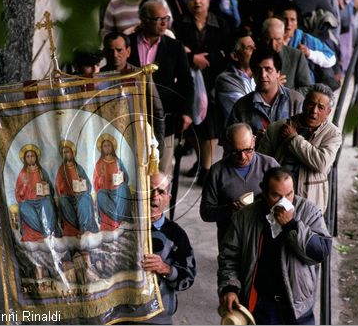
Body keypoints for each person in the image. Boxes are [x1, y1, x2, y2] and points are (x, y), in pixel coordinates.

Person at [218, 167, 332, 324]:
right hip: (262, 304)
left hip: (297, 305)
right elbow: (229, 258)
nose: (283, 202)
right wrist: (229, 288)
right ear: (264, 192)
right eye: (276, 195)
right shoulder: (244, 217)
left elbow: (321, 252)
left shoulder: (308, 212)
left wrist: (291, 226)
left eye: (289, 194)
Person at [172, 0, 233, 185]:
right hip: (187, 80)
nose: (197, 1)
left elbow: (228, 52)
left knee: (210, 127)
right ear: (186, 1)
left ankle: (206, 169)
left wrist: (207, 58)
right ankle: (202, 164)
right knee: (191, 127)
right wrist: (191, 58)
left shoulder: (221, 22)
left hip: (213, 80)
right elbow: (175, 49)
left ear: (208, 0)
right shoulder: (179, 24)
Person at [128, 0, 195, 176]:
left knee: (161, 172)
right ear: (143, 20)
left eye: (166, 18)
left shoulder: (175, 47)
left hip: (165, 118)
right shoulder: (127, 44)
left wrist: (186, 112)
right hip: (132, 117)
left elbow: (186, 81)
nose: (164, 22)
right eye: (158, 19)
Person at [257, 83, 342, 213]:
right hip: (276, 199)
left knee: (305, 233)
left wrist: (293, 139)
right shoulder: (277, 128)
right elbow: (260, 164)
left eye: (321, 107)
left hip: (310, 203)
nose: (314, 111)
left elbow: (321, 163)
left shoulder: (333, 134)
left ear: (328, 112)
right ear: (303, 104)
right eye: (310, 104)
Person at [200, 123, 279, 252]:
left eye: (248, 150)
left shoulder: (269, 165)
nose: (243, 157)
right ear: (227, 146)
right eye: (236, 151)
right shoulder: (217, 172)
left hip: (264, 240)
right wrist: (229, 209)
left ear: (254, 141)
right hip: (231, 242)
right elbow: (205, 213)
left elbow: (287, 200)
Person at [143, 172, 196, 324]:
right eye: (149, 190)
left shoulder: (176, 234)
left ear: (168, 199)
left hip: (158, 318)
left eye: (161, 192)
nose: (154, 196)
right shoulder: (124, 229)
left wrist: (166, 269)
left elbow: (189, 277)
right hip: (124, 316)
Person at [102, 31, 165, 157]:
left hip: (138, 139)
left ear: (128, 51)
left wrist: (158, 143)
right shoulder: (98, 77)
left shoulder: (141, 76)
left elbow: (157, 110)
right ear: (104, 52)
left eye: (119, 50)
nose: (115, 55)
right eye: (111, 50)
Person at [226, 46, 304, 142]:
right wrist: (252, 141)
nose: (263, 75)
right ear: (253, 73)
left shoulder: (296, 100)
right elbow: (231, 144)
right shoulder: (241, 106)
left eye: (268, 69)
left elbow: (308, 138)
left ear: (278, 73)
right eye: (258, 70)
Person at [280, 3, 339, 90]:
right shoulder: (272, 38)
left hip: (303, 89)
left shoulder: (305, 39)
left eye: (292, 20)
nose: (288, 24)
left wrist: (310, 53)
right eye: (285, 19)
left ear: (297, 23)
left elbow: (331, 58)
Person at [214, 28, 256, 139]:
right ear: (235, 56)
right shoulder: (225, 80)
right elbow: (245, 111)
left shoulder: (260, 74)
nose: (255, 50)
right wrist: (269, 89)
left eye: (254, 46)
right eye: (249, 48)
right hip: (239, 141)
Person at [15, 144, 61, 241]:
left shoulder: (41, 172)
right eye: (28, 156)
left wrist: (45, 185)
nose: (30, 158)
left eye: (32, 156)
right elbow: (18, 194)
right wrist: (25, 185)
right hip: (28, 202)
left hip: (42, 200)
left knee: (47, 202)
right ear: (24, 159)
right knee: (23, 207)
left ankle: (49, 233)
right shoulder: (22, 174)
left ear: (36, 158)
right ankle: (41, 233)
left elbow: (51, 190)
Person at [55, 140, 98, 236]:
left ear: (72, 153)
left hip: (80, 196)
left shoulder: (79, 168)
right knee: (62, 200)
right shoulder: (62, 170)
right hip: (68, 198)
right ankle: (73, 229)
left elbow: (89, 186)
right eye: (64, 152)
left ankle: (85, 229)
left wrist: (83, 183)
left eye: (68, 152)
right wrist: (63, 186)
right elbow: (58, 187)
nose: (66, 154)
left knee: (86, 198)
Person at [261, 17, 312, 95]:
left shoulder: (296, 56)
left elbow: (307, 88)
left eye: (278, 39)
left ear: (283, 36)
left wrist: (283, 92)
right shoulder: (253, 56)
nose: (273, 45)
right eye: (268, 39)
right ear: (262, 37)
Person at [93, 133, 132, 230]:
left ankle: (122, 219)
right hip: (106, 192)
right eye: (105, 146)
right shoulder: (99, 163)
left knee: (124, 188)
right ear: (102, 148)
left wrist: (121, 176)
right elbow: (95, 183)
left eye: (109, 145)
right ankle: (117, 219)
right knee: (100, 194)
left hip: (117, 190)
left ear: (112, 147)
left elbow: (126, 178)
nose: (107, 148)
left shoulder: (118, 161)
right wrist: (100, 179)